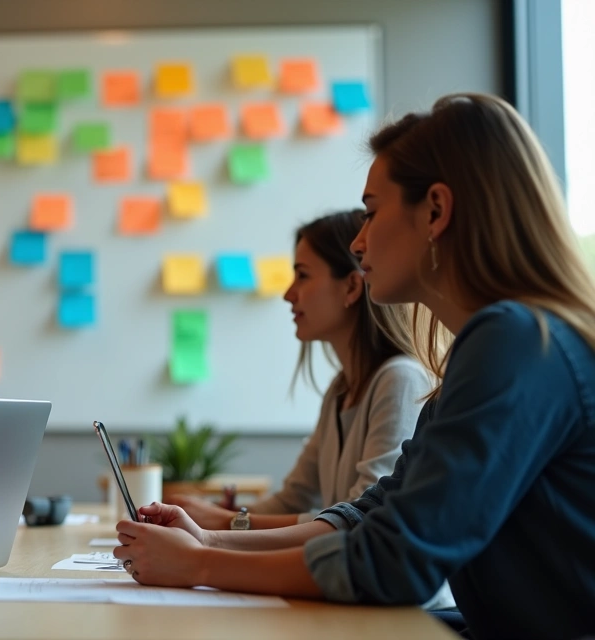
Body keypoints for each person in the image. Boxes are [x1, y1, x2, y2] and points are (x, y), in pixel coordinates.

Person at [112, 93, 595, 640]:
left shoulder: (516, 342)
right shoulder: (491, 347)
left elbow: (395, 560)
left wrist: (199, 565)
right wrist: (208, 541)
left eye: (370, 212)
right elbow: (374, 512)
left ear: (436, 210)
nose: (359, 242)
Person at [172, 209, 432, 531]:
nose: (287, 294)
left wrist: (228, 523)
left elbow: (358, 517)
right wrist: (212, 517)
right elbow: (292, 500)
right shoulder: (340, 390)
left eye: (303, 275)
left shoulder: (400, 380)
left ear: (351, 287)